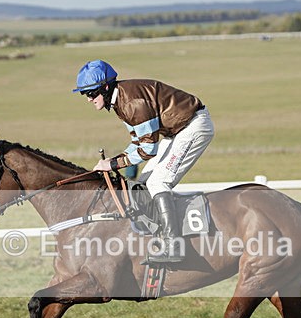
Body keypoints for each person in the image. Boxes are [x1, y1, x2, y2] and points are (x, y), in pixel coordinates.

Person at [74, 59, 214, 263]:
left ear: (105, 87)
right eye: (84, 94)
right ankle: (157, 237)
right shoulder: (119, 101)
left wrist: (112, 164)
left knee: (158, 182)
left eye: (90, 93)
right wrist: (114, 161)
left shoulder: (131, 103)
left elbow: (148, 149)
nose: (88, 99)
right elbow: (137, 143)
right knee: (144, 183)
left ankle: (174, 246)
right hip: (176, 132)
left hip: (193, 127)